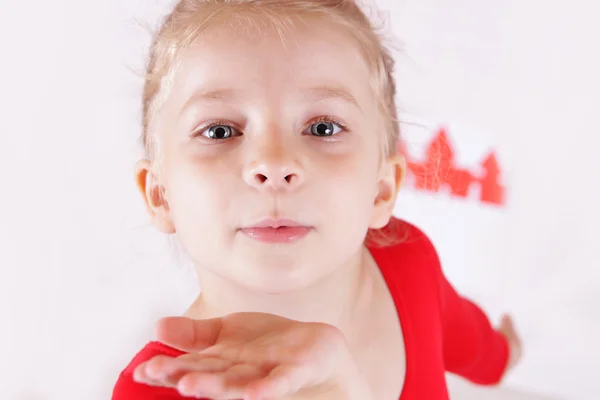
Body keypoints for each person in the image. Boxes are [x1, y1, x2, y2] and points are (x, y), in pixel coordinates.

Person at [112, 0, 522, 398]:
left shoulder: (409, 259)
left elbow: (478, 349)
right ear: (160, 196)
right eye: (220, 131)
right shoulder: (152, 390)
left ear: (383, 189)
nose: (273, 164)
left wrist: (505, 353)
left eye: (323, 128)